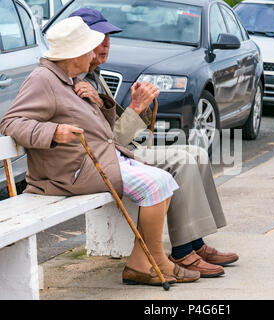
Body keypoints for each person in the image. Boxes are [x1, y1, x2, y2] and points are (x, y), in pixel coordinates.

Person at [0, 16, 200, 286]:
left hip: (95, 161)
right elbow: (10, 122)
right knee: (156, 183)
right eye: (90, 49)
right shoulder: (44, 80)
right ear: (75, 54)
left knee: (162, 179)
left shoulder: (68, 79)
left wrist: (98, 101)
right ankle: (150, 263)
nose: (95, 54)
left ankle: (145, 262)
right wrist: (53, 132)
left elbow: (105, 131)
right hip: (72, 173)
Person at [69, 8, 239, 278]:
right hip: (107, 161)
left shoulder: (94, 75)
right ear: (80, 42)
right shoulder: (76, 81)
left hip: (118, 152)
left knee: (195, 152)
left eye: (108, 37)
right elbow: (111, 139)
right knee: (182, 161)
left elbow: (115, 129)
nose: (106, 44)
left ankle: (195, 242)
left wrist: (139, 107)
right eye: (99, 38)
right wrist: (135, 109)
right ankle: (183, 250)